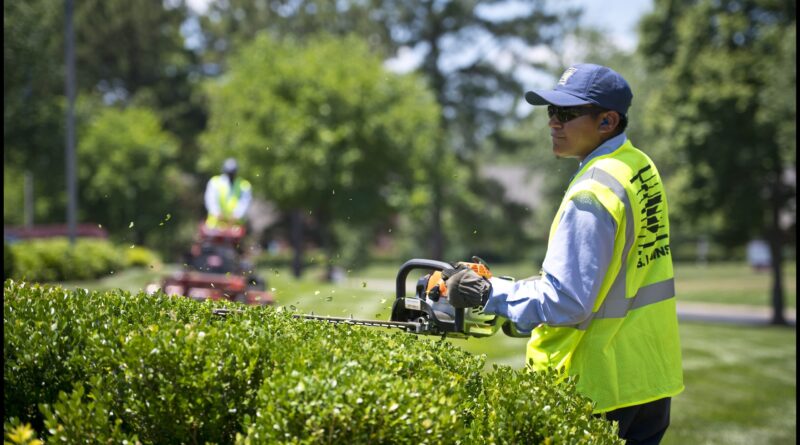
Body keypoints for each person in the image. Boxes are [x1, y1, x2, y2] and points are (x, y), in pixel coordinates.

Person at [442, 63, 684, 444]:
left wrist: (489, 294)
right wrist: (513, 302)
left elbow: (568, 300)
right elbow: (603, 281)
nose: (553, 122)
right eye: (551, 112)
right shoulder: (638, 167)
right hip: (648, 380)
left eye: (567, 114)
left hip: (596, 388)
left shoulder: (593, 192)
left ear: (607, 121)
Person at [204, 158, 253, 229]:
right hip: (215, 226)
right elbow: (210, 199)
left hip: (234, 227)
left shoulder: (244, 185)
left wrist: (236, 215)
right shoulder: (215, 182)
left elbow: (245, 202)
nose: (230, 175)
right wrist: (217, 213)